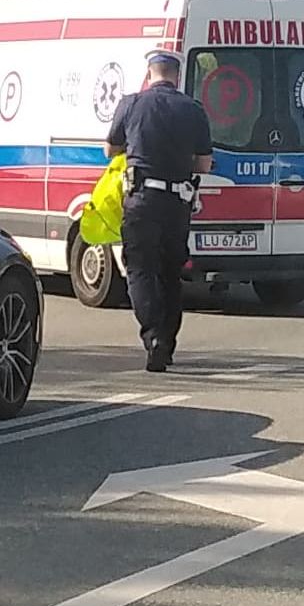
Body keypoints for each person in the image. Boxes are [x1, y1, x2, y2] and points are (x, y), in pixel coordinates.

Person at [104, 50, 215, 372]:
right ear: (176, 76)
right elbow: (204, 163)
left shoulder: (131, 103)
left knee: (139, 269)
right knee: (170, 273)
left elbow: (110, 148)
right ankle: (166, 342)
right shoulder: (193, 109)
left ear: (149, 73)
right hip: (177, 202)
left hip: (141, 199)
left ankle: (153, 336)